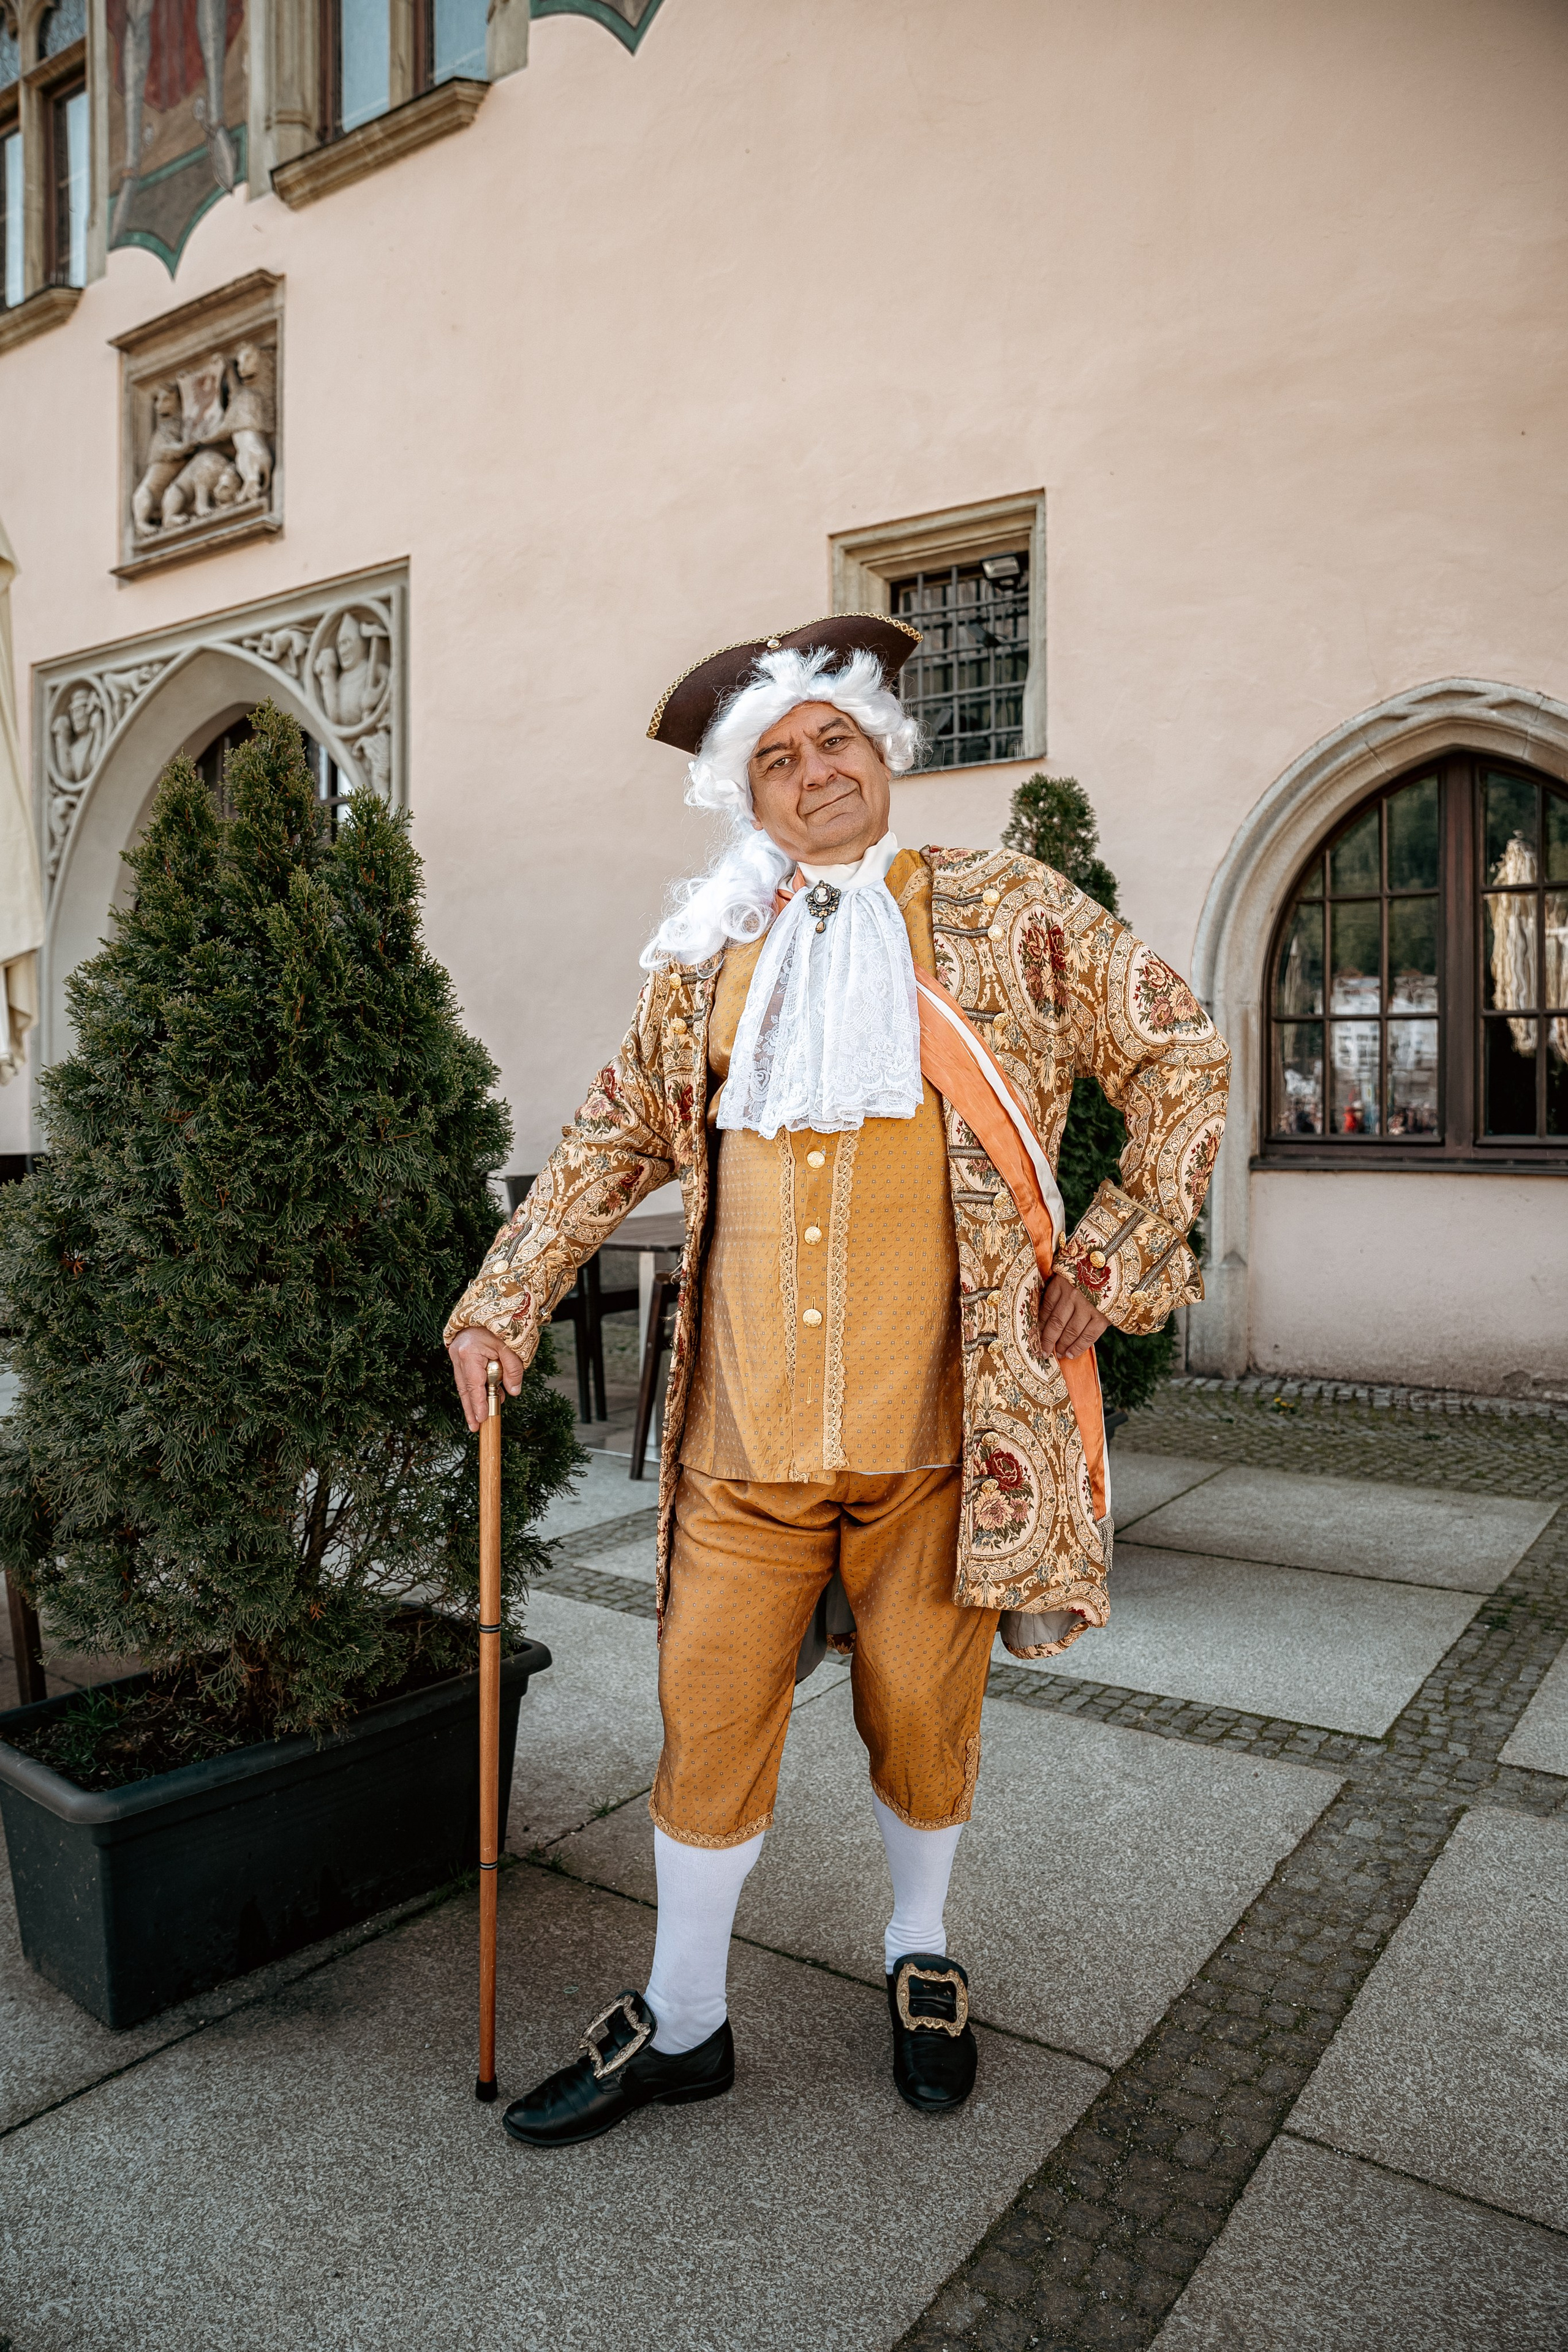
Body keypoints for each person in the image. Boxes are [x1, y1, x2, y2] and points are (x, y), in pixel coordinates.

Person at [445, 616, 1229, 2145]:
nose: (814, 773)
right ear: (746, 796)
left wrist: (1117, 1246)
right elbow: (611, 1135)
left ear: (883, 754)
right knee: (705, 1717)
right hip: (738, 1440)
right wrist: (504, 1297)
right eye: (778, 760)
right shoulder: (707, 951)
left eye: (835, 741)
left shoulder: (1006, 909)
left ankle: (918, 1950)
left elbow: (1178, 1053)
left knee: (922, 1716)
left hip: (939, 1432)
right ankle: (683, 2019)